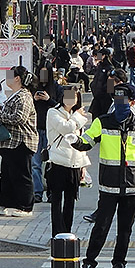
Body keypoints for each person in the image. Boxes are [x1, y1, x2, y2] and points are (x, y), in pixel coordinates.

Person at [71, 83, 135, 268]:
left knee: (125, 229)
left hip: (132, 186)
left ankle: (119, 264)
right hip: (109, 185)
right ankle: (89, 263)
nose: (119, 103)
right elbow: (87, 142)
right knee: (101, 226)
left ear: (132, 102)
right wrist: (74, 140)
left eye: (123, 100)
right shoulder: (103, 122)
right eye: (116, 99)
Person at [0, 65, 38, 217]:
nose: (6, 79)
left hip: (21, 142)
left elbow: (19, 118)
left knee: (22, 175)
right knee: (7, 175)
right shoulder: (16, 95)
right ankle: (3, 204)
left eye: (9, 76)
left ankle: (25, 207)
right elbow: (10, 111)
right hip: (11, 142)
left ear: (17, 78)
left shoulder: (24, 96)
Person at [45, 85, 91, 235]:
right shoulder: (53, 112)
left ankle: (67, 232)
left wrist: (83, 165)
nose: (70, 99)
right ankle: (57, 233)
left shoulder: (77, 117)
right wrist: (78, 117)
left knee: (71, 201)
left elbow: (81, 141)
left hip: (75, 163)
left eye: (74, 96)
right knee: (56, 201)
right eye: (68, 96)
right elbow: (65, 128)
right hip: (58, 161)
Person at [31, 63, 61, 204]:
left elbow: (62, 108)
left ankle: (51, 193)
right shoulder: (33, 87)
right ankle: (37, 192)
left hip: (51, 131)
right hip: (35, 129)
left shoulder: (57, 88)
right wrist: (34, 99)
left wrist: (49, 100)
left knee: (51, 163)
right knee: (35, 164)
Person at [88, 48, 115, 119]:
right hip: (97, 97)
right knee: (95, 118)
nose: (98, 56)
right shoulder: (99, 66)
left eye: (100, 55)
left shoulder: (110, 68)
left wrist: (103, 90)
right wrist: (93, 86)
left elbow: (110, 86)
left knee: (103, 118)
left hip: (105, 99)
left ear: (104, 56)